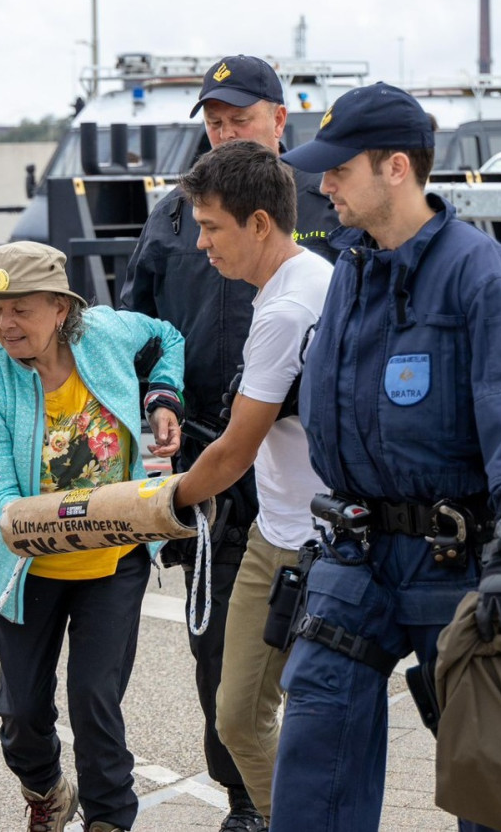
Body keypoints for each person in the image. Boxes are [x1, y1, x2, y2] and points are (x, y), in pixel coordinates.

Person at [272, 81, 501, 832]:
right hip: (360, 553)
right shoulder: (352, 269)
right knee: (315, 733)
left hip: (458, 558)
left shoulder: (480, 276)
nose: (325, 183)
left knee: (497, 767)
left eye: (341, 168)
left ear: (397, 168)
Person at [119, 54, 338, 832]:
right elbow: (137, 320)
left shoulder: (324, 202)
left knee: (316, 652)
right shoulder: (175, 214)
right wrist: (158, 398)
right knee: (217, 643)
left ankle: (309, 799)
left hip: (293, 469)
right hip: (207, 452)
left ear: (281, 120)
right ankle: (247, 801)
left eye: (238, 118)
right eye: (212, 121)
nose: (222, 132)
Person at [0, 241, 185, 832]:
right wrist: (15, 516)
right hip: (27, 571)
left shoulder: (107, 335)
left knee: (95, 702)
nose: (5, 324)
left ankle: (110, 820)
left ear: (61, 309)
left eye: (21, 309)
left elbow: (167, 336)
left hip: (113, 563)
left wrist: (164, 396)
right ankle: (46, 789)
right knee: (22, 715)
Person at [166, 140, 333, 824]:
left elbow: (235, 450)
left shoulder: (287, 311)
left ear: (259, 223)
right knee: (242, 717)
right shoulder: (315, 276)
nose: (202, 244)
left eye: (212, 227)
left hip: (311, 545)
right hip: (280, 527)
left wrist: (166, 503)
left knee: (272, 719)